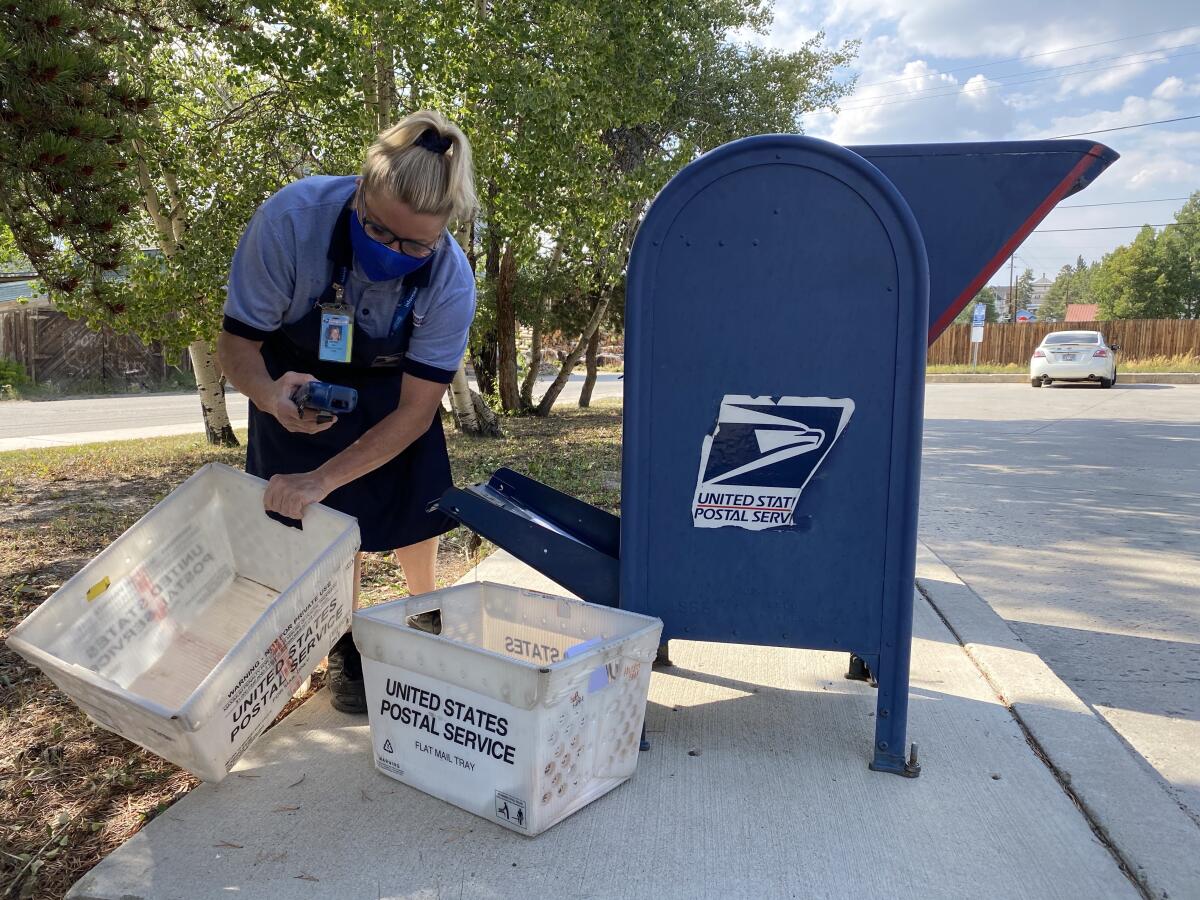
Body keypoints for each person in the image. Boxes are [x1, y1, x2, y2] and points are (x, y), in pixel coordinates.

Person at [218, 110, 477, 713]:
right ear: (360, 189)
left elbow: (416, 411)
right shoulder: (290, 221)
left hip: (394, 386)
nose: (392, 252)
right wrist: (270, 396)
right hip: (294, 375)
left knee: (414, 504)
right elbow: (236, 346)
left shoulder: (450, 279)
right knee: (320, 525)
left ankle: (425, 608)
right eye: (379, 231)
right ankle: (345, 639)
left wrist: (325, 476)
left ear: (441, 234)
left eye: (415, 243)